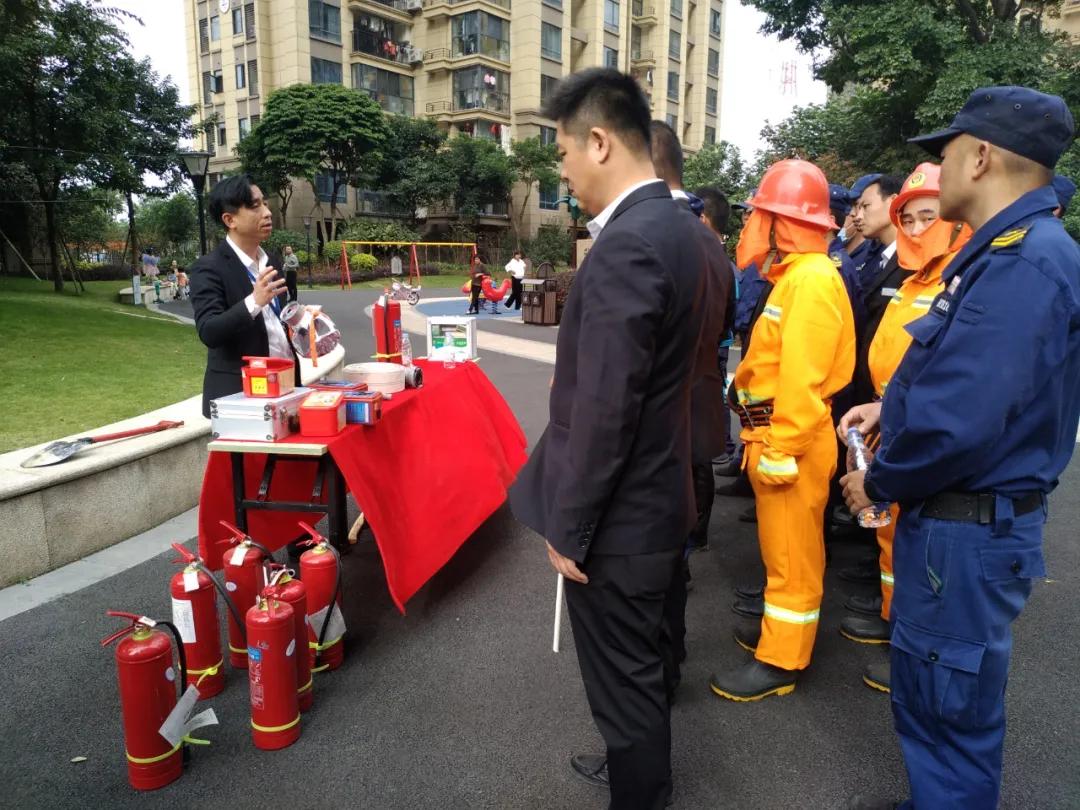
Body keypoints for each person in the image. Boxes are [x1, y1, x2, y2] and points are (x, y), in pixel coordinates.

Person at [840, 86, 1079, 810]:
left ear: (980, 156)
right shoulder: (1003, 253)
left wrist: (878, 483)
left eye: (943, 156)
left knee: (950, 708)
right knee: (933, 694)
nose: (935, 173)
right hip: (957, 525)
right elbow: (966, 381)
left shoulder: (1026, 262)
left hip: (966, 527)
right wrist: (893, 404)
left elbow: (961, 422)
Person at [507, 68, 709, 809]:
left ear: (598, 142)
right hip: (658, 500)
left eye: (561, 154)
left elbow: (604, 406)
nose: (560, 172)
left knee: (623, 692)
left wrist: (572, 525)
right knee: (642, 676)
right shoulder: (683, 230)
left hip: (621, 522)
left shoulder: (627, 244)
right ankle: (642, 781)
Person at [708, 158, 855, 702]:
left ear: (782, 222)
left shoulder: (812, 281)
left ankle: (783, 660)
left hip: (790, 441)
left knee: (793, 556)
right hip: (774, 437)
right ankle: (779, 633)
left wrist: (784, 445)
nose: (751, 227)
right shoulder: (798, 277)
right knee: (781, 551)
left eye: (760, 216)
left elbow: (804, 377)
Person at [836, 163, 972, 680]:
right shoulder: (917, 279)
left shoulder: (964, 281)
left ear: (957, 220)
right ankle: (899, 629)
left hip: (925, 438)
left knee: (924, 554)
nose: (915, 230)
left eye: (928, 217)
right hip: (890, 425)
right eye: (908, 219)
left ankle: (914, 649)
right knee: (894, 542)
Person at [649, 121, 733, 701]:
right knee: (668, 565)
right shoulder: (707, 239)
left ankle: (658, 679)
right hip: (691, 414)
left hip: (658, 431)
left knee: (648, 579)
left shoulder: (654, 234)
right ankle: (667, 659)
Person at [189, 174, 294, 418]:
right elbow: (209, 331)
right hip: (239, 401)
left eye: (265, 203)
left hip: (286, 388)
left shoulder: (272, 261)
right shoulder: (209, 268)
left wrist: (300, 322)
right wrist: (254, 302)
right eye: (255, 206)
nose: (267, 212)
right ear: (230, 219)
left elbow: (276, 323)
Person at [695, 186, 739, 468]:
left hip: (716, 346)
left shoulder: (717, 263)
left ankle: (723, 445)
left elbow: (727, 313)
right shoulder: (717, 260)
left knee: (715, 394)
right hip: (715, 343)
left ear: (702, 219)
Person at [845, 174, 884, 272]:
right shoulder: (844, 245)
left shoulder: (890, 253)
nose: (853, 213)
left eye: (864, 205)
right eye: (852, 206)